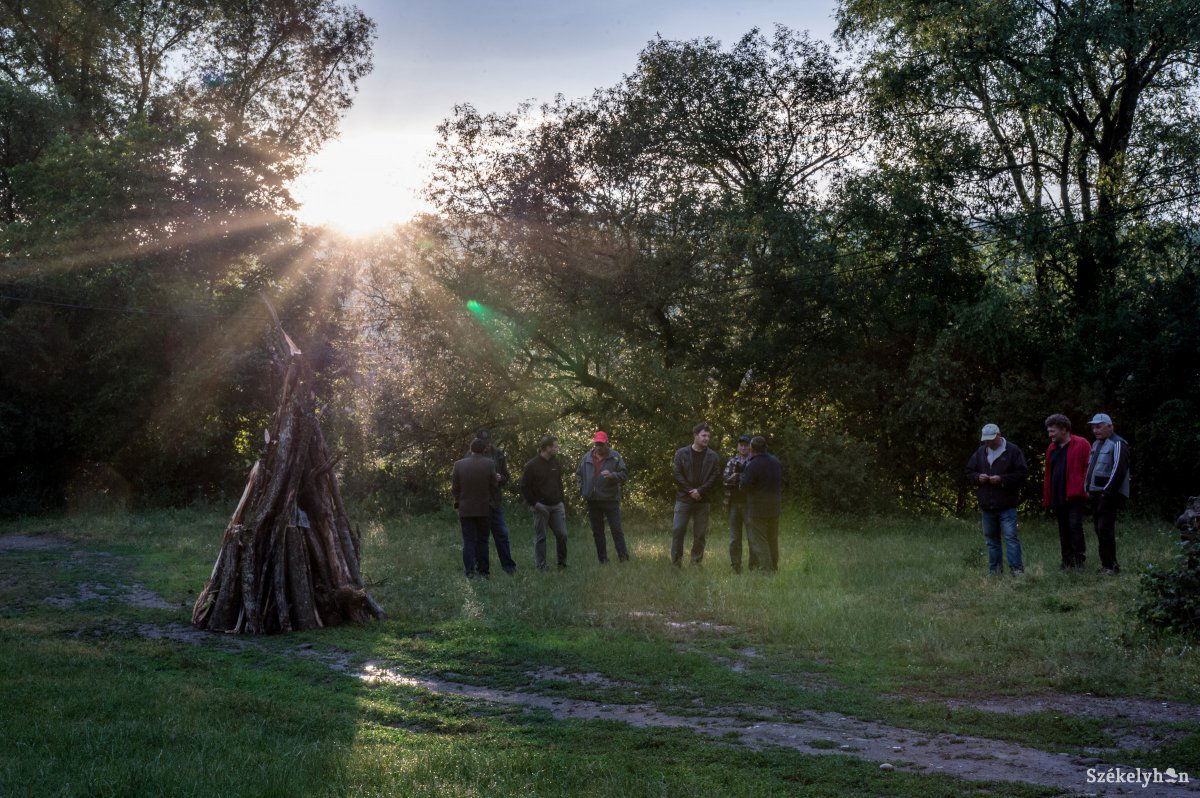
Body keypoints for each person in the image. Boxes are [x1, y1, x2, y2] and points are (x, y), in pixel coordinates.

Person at [965, 423, 1028, 575]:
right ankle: (995, 571)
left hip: (1007, 504)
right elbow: (969, 471)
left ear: (999, 435)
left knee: (1011, 538)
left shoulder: (1013, 451)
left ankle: (1017, 570)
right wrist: (978, 477)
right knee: (991, 541)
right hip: (987, 505)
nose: (988, 443)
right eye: (985, 440)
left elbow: (1022, 473)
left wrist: (1002, 479)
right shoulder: (980, 452)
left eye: (991, 440)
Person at [1042, 413, 1092, 570]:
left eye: (1052, 431)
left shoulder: (1082, 444)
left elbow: (1089, 468)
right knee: (1063, 529)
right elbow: (1049, 473)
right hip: (1058, 495)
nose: (1050, 434)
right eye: (1049, 431)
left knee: (1075, 526)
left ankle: (1079, 562)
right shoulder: (1052, 448)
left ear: (1064, 429)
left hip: (1076, 494)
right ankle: (1066, 562)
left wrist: (1086, 487)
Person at [1085, 413, 1131, 574]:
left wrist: (1107, 493)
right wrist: (1087, 489)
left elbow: (1118, 471)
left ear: (1110, 426)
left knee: (1105, 529)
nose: (1095, 430)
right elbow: (1091, 469)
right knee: (1099, 529)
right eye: (1093, 427)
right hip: (1095, 494)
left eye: (1099, 426)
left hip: (1109, 495)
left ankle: (1111, 567)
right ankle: (1106, 565)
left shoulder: (1118, 444)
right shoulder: (1096, 444)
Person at [671, 422, 722, 566]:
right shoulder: (681, 453)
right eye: (703, 435)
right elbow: (677, 474)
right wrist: (690, 490)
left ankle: (696, 563)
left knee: (700, 534)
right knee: (678, 530)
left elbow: (715, 477)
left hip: (703, 499)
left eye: (708, 436)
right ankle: (676, 563)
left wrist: (700, 491)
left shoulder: (713, 456)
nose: (706, 438)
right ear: (695, 436)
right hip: (684, 498)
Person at [576, 430, 630, 563]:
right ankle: (603, 559)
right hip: (593, 500)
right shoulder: (587, 457)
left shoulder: (615, 456)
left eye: (601, 444)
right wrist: (583, 489)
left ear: (607, 443)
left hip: (610, 499)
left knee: (616, 530)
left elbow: (624, 475)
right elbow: (579, 474)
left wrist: (612, 475)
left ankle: (623, 557)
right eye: (597, 444)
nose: (599, 447)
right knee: (597, 532)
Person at [451, 437, 499, 577]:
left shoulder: (458, 465)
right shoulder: (489, 464)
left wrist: (458, 500)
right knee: (483, 541)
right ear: (484, 449)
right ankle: (484, 571)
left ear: (470, 449)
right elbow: (494, 486)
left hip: (465, 508)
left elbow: (455, 488)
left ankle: (469, 570)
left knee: (468, 541)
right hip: (484, 508)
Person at [521, 435, 568, 570]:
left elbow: (559, 484)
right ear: (547, 448)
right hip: (540, 507)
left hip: (556, 505)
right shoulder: (531, 465)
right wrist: (534, 504)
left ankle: (562, 564)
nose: (557, 448)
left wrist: (562, 502)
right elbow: (524, 487)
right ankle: (541, 566)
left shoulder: (556, 463)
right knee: (541, 537)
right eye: (555, 446)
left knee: (562, 534)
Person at [474, 428, 517, 574]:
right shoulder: (470, 455)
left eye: (487, 441)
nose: (486, 445)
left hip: (495, 501)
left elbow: (506, 477)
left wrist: (501, 478)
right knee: (480, 537)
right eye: (482, 442)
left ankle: (508, 567)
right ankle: (481, 568)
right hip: (478, 502)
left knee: (502, 534)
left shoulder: (498, 454)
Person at [739, 436, 783, 571]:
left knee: (760, 540)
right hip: (774, 506)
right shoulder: (776, 461)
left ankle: (766, 570)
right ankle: (774, 567)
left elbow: (744, 487)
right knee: (772, 538)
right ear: (765, 447)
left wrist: (741, 479)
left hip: (758, 509)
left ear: (752, 449)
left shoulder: (752, 465)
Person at [723, 434, 754, 572]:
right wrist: (739, 478)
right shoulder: (731, 461)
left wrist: (737, 477)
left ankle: (754, 566)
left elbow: (753, 481)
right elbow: (725, 480)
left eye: (746, 445)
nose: (743, 447)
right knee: (734, 538)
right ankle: (736, 566)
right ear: (737, 446)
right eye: (741, 445)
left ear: (750, 447)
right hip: (733, 504)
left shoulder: (754, 461)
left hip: (749, 504)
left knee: (752, 537)